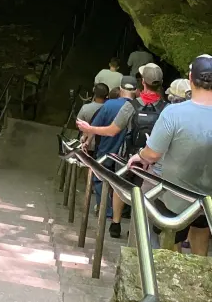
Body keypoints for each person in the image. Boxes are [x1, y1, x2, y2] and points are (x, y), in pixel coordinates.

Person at [128, 54, 212, 256]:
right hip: (208, 198)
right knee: (201, 233)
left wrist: (140, 155)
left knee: (172, 243)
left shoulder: (173, 113)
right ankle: (199, 281)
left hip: (175, 195)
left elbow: (153, 154)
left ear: (190, 79)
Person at [77, 63, 165, 238]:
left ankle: (115, 223)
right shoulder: (167, 109)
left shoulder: (131, 106)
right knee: (148, 193)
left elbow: (112, 130)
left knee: (120, 187)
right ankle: (139, 230)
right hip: (153, 160)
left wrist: (90, 129)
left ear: (143, 82)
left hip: (129, 157)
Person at [81, 76, 137, 219]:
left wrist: (86, 140)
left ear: (121, 89)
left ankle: (105, 210)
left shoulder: (109, 104)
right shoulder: (139, 106)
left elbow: (96, 126)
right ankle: (122, 212)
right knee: (122, 183)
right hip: (127, 153)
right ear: (136, 90)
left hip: (107, 148)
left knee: (100, 179)